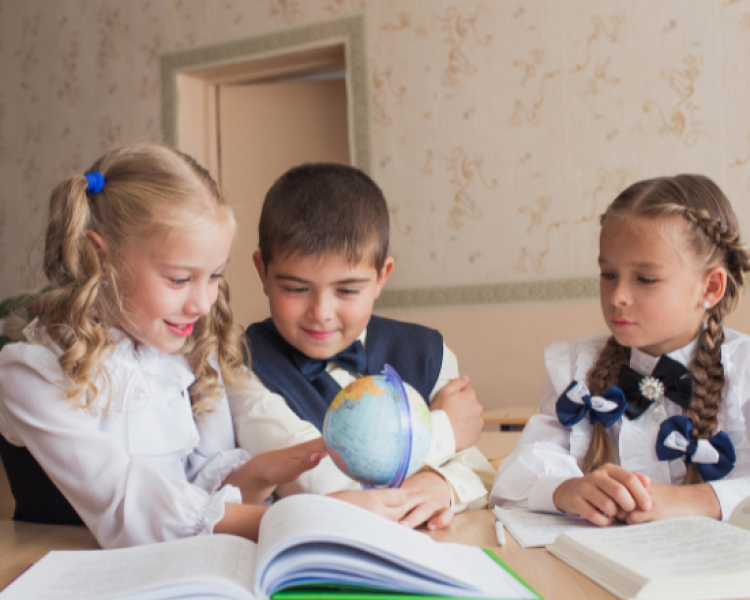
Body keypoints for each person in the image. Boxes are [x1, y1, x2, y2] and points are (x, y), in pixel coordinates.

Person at [0, 144, 425, 549]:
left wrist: (265, 469)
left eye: (214, 276)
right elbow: (127, 510)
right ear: (100, 258)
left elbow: (206, 494)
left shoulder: (188, 355)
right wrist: (316, 517)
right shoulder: (31, 372)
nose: (203, 304)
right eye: (180, 279)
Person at [228, 163, 495, 531]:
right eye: (295, 288)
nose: (321, 313)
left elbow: (478, 471)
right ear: (263, 271)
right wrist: (443, 431)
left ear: (382, 276)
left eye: (347, 290)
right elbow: (323, 486)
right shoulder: (242, 366)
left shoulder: (427, 351)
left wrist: (440, 485)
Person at [492, 174, 750, 526]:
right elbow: (516, 476)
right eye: (608, 274)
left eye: (645, 279)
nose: (617, 297)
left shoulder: (743, 371)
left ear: (711, 286)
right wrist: (566, 490)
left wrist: (701, 499)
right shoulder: (576, 367)